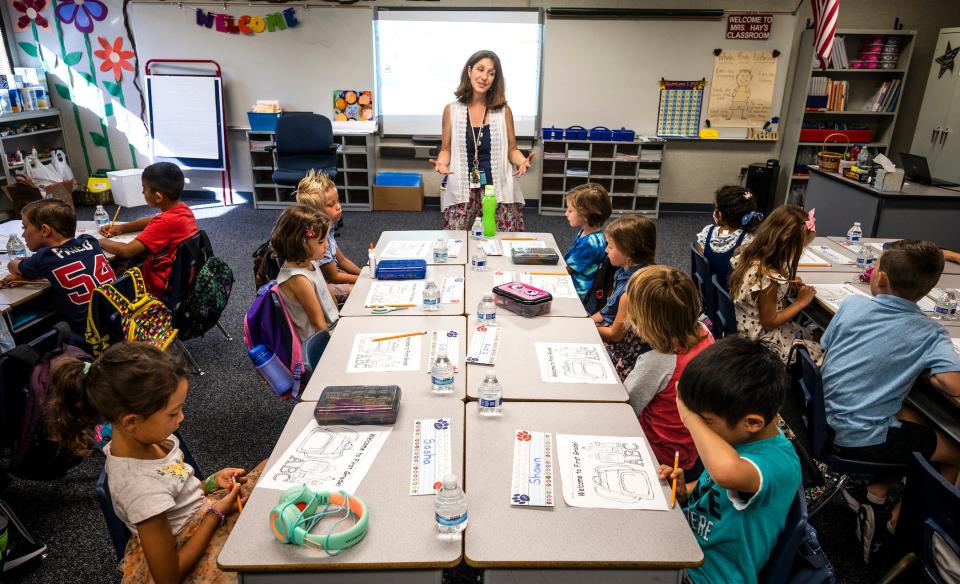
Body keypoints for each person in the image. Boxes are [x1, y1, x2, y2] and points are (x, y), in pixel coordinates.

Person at [46, 342, 262, 583]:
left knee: (270, 471)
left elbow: (175, 490)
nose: (182, 417)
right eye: (173, 413)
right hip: (191, 547)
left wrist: (211, 483)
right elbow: (168, 576)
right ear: (131, 421)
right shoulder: (140, 488)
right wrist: (214, 516)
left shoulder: (152, 438)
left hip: (202, 514)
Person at [819, 239, 960, 562]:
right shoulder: (930, 332)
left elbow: (828, 345)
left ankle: (878, 492)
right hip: (859, 436)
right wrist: (934, 372)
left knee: (913, 418)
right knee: (956, 450)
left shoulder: (853, 306)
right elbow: (953, 385)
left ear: (879, 278)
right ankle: (902, 521)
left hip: (824, 419)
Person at [659, 336, 801, 584]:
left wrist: (689, 417)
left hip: (709, 576)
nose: (699, 427)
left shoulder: (779, 463)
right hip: (684, 548)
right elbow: (715, 490)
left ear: (752, 423)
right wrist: (684, 491)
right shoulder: (738, 440)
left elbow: (725, 473)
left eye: (706, 421)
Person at [623, 266, 714, 480]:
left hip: (662, 458)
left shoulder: (658, 361)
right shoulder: (703, 330)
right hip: (691, 447)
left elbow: (625, 409)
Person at [428, 49, 534, 231]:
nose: (484, 77)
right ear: (469, 71)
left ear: (495, 79)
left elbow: (512, 150)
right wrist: (441, 163)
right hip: (463, 191)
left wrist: (521, 161)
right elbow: (446, 149)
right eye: (480, 69)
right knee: (459, 244)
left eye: (491, 73)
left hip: (497, 190)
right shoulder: (451, 110)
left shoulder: (503, 111)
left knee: (501, 244)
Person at [1, 199, 115, 338]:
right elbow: (64, 263)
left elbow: (13, 266)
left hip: (87, 335)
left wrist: (25, 270)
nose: (23, 234)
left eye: (25, 227)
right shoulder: (90, 240)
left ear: (45, 230)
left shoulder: (45, 258)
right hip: (115, 321)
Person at [729, 205, 822, 362]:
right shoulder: (768, 278)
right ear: (787, 246)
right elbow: (770, 322)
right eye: (801, 248)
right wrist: (800, 302)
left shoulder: (749, 255)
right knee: (820, 352)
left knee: (814, 335)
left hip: (745, 327)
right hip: (762, 341)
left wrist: (785, 283)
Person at [99, 162, 198, 299]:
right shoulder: (183, 210)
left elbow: (127, 251)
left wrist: (99, 241)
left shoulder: (164, 223)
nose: (142, 192)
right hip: (182, 280)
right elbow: (152, 220)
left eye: (144, 188)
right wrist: (121, 228)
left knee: (116, 270)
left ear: (158, 197)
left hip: (155, 287)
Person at [592, 214, 656, 379]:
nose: (606, 250)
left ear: (628, 252)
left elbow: (616, 335)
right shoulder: (623, 271)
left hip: (627, 352)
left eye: (611, 247)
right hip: (614, 332)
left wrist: (586, 329)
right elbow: (607, 311)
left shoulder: (632, 291)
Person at [269, 205, 340, 343]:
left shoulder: (310, 262)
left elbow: (329, 298)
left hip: (332, 326)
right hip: (320, 341)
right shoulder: (298, 279)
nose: (326, 246)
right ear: (300, 244)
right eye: (320, 242)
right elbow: (318, 325)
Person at [294, 170, 361, 304]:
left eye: (338, 201)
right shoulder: (316, 239)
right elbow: (333, 276)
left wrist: (363, 274)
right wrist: (363, 280)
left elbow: (341, 259)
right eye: (331, 205)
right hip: (323, 284)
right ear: (314, 213)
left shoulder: (328, 229)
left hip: (331, 276)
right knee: (360, 290)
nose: (338, 207)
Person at [695, 185, 762, 286]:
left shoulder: (706, 232)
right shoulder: (748, 241)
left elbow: (700, 263)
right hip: (728, 297)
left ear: (720, 215)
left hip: (706, 294)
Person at [563, 183, 612, 302]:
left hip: (577, 290)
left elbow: (567, 271)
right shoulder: (587, 233)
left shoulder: (589, 244)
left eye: (570, 211)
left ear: (585, 215)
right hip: (575, 282)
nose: (566, 214)